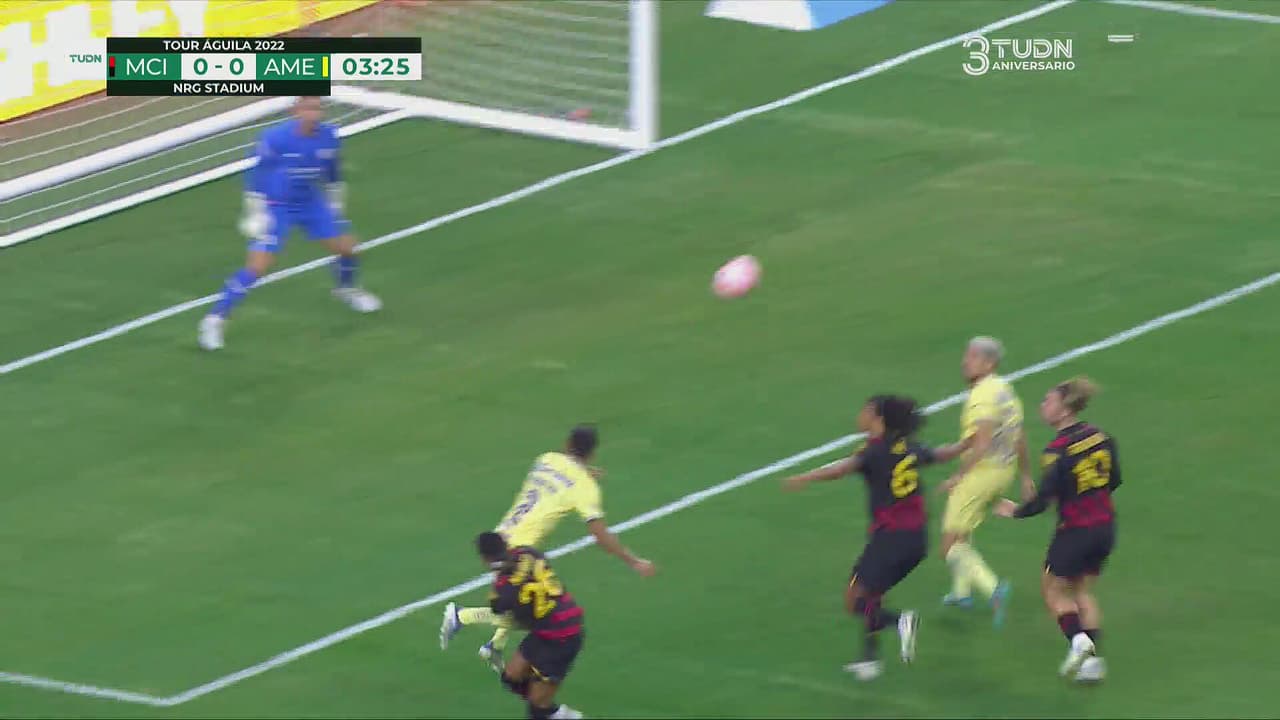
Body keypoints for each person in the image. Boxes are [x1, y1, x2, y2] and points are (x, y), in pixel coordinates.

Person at [441, 425, 655, 670]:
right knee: (537, 615)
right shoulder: (585, 488)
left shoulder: (546, 459)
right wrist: (633, 561)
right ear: (593, 453)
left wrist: (585, 474)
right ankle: (461, 616)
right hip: (520, 551)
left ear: (567, 444)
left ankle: (494, 647)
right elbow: (599, 534)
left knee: (524, 603)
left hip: (506, 533)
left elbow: (561, 475)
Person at [783, 395, 964, 680]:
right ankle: (869, 659)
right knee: (873, 594)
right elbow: (942, 454)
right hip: (917, 540)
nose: (860, 415)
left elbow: (840, 469)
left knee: (853, 599)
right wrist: (968, 444)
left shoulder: (873, 452)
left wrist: (806, 478)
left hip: (890, 538)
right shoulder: (909, 446)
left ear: (878, 418)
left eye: (865, 411)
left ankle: (899, 621)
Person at [198, 96, 381, 351]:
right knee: (257, 266)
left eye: (318, 108)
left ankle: (346, 289)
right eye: (308, 108)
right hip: (277, 206)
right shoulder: (275, 138)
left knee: (348, 248)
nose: (314, 113)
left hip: (310, 201)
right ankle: (215, 319)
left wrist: (335, 205)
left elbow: (333, 173)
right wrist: (255, 212)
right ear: (296, 111)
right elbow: (256, 176)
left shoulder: (329, 136)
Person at [994, 377, 1119, 683]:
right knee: (1081, 591)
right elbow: (1114, 480)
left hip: (1075, 530)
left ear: (1064, 409)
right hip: (1105, 527)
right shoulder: (1101, 436)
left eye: (1048, 401)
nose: (1043, 406)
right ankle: (1092, 665)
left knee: (1052, 591)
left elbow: (1044, 500)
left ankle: (1078, 641)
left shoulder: (1057, 450)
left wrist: (1015, 511)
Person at [936, 336, 1030, 626]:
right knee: (963, 531)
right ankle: (961, 592)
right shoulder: (1004, 389)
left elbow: (982, 442)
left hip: (982, 473)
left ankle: (993, 589)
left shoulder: (982, 396)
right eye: (967, 355)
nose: (965, 362)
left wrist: (957, 476)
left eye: (973, 357)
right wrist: (1026, 475)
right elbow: (1019, 435)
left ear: (989, 364)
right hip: (1004, 470)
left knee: (949, 545)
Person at [477, 532, 585, 720]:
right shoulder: (528, 552)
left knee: (537, 709)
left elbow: (506, 614)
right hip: (551, 627)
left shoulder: (502, 591)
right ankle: (551, 708)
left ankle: (550, 709)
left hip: (562, 636)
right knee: (512, 677)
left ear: (485, 559)